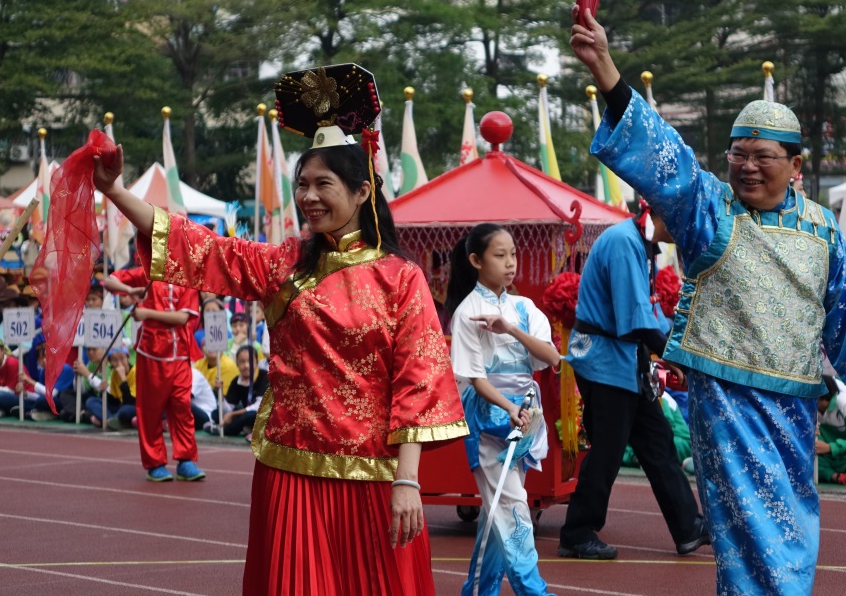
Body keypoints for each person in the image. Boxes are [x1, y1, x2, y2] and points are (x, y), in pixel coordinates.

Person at [569, 6, 846, 594]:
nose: (748, 167)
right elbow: (664, 154)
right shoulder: (709, 208)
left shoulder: (821, 228)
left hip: (795, 402)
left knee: (794, 523)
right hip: (726, 398)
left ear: (797, 165)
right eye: (738, 155)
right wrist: (605, 65)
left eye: (764, 157)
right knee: (748, 527)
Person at [92, 62, 468, 595]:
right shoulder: (284, 265)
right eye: (302, 185)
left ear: (362, 192)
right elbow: (198, 248)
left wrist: (408, 479)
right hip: (289, 469)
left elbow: (420, 382)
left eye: (323, 184)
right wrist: (114, 191)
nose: (308, 197)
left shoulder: (400, 278)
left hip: (374, 477)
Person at [557, 205, 708, 560]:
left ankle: (688, 527)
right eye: (682, 220)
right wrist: (671, 355)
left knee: (658, 442)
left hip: (625, 361)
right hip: (605, 360)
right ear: (660, 213)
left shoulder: (642, 246)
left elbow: (650, 314)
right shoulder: (625, 243)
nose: (685, 229)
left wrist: (681, 347)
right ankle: (577, 531)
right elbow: (636, 321)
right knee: (609, 450)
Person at [444, 223, 559, 596]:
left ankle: (479, 590)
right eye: (500, 255)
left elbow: (551, 356)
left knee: (498, 511)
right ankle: (534, 590)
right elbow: (475, 378)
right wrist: (510, 407)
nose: (510, 263)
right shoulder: (467, 313)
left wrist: (509, 328)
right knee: (513, 507)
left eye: (513, 254)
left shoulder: (523, 308)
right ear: (476, 261)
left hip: (523, 417)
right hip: (489, 417)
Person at [104, 256, 205, 483]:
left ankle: (186, 460)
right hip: (151, 352)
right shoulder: (146, 273)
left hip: (180, 353)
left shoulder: (187, 278)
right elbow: (109, 281)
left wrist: (146, 313)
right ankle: (155, 463)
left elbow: (182, 318)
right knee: (150, 410)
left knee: (181, 406)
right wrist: (131, 290)